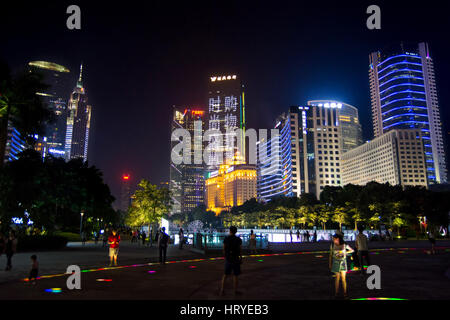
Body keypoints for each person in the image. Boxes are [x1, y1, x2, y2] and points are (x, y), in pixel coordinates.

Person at [329, 232, 354, 299]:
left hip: (343, 262)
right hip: (336, 262)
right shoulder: (332, 245)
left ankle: (345, 293)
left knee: (343, 278)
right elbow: (330, 255)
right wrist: (330, 264)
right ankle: (336, 293)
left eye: (334, 238)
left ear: (337, 239)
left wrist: (345, 252)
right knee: (337, 278)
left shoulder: (344, 244)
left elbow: (352, 250)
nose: (333, 240)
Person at [219, 226, 242, 296]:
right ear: (236, 231)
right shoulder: (238, 239)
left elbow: (223, 249)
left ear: (230, 231)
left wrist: (226, 256)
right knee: (235, 275)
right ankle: (235, 291)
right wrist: (240, 257)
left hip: (228, 258)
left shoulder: (226, 238)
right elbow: (240, 249)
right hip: (235, 258)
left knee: (225, 275)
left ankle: (222, 290)